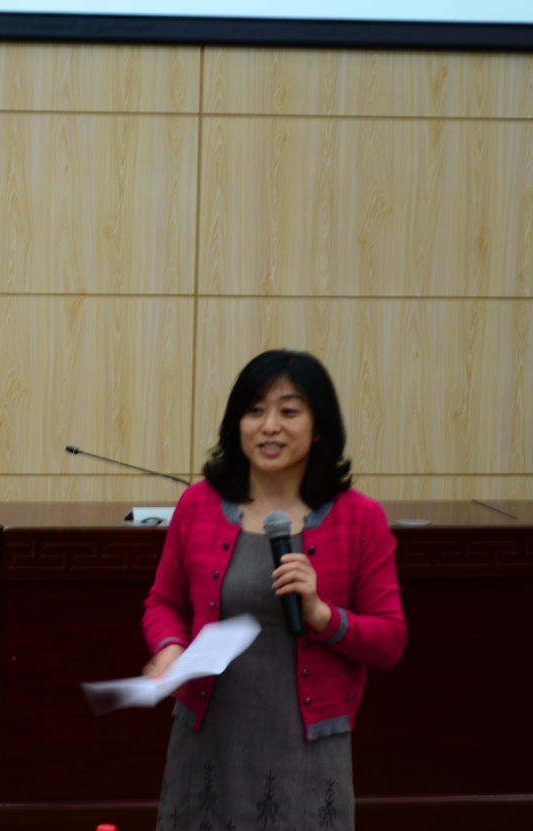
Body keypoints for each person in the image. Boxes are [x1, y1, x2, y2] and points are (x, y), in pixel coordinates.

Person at [142, 350, 406, 831]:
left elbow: (390, 640)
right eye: (255, 410)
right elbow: (164, 602)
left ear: (319, 427)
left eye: (289, 411)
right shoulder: (198, 505)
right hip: (209, 740)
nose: (269, 427)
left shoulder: (360, 518)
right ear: (236, 424)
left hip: (305, 749)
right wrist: (171, 648)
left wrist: (322, 614)